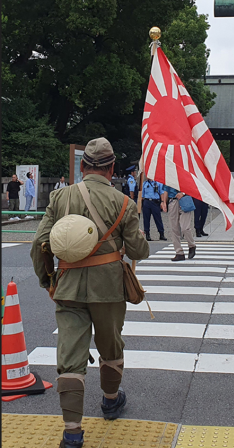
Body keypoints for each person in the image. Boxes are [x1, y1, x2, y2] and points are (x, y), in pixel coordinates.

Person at [30, 137, 149, 448]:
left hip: (68, 285)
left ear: (83, 167)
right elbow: (139, 250)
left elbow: (38, 244)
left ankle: (72, 432)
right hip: (108, 288)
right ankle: (110, 401)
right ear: (111, 169)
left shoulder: (59, 197)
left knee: (70, 358)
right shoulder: (123, 202)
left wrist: (47, 281)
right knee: (111, 346)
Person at [163, 186, 197, 261]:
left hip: (185, 199)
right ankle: (179, 252)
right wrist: (164, 202)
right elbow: (166, 190)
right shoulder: (169, 176)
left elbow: (192, 186)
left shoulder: (186, 174)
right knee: (174, 228)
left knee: (185, 227)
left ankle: (192, 245)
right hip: (173, 200)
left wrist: (183, 193)